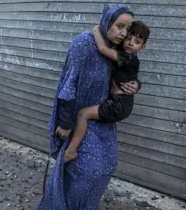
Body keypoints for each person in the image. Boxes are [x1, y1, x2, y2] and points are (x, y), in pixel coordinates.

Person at [27, 4, 139, 210]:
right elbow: (68, 87)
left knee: (107, 165)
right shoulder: (83, 44)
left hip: (102, 115)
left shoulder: (115, 51)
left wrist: (136, 86)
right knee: (86, 168)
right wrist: (65, 124)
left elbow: (128, 74)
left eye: (127, 30)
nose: (123, 34)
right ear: (107, 21)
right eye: (120, 26)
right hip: (78, 118)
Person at [63, 21, 150, 163]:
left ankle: (71, 150)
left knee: (83, 114)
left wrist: (97, 30)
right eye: (128, 38)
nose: (130, 43)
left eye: (137, 41)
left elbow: (103, 49)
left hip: (119, 104)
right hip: (119, 102)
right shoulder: (123, 54)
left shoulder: (128, 58)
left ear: (142, 47)